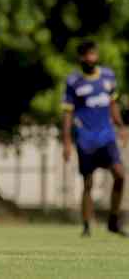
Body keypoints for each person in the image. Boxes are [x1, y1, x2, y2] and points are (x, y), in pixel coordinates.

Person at [62, 40, 127, 237]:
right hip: (86, 139)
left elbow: (113, 104)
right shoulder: (74, 82)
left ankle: (113, 221)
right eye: (88, 55)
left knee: (120, 175)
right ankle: (87, 226)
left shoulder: (108, 76)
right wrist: (66, 141)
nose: (92, 58)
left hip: (106, 136)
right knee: (88, 183)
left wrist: (121, 126)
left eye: (94, 54)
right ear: (81, 58)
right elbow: (67, 113)